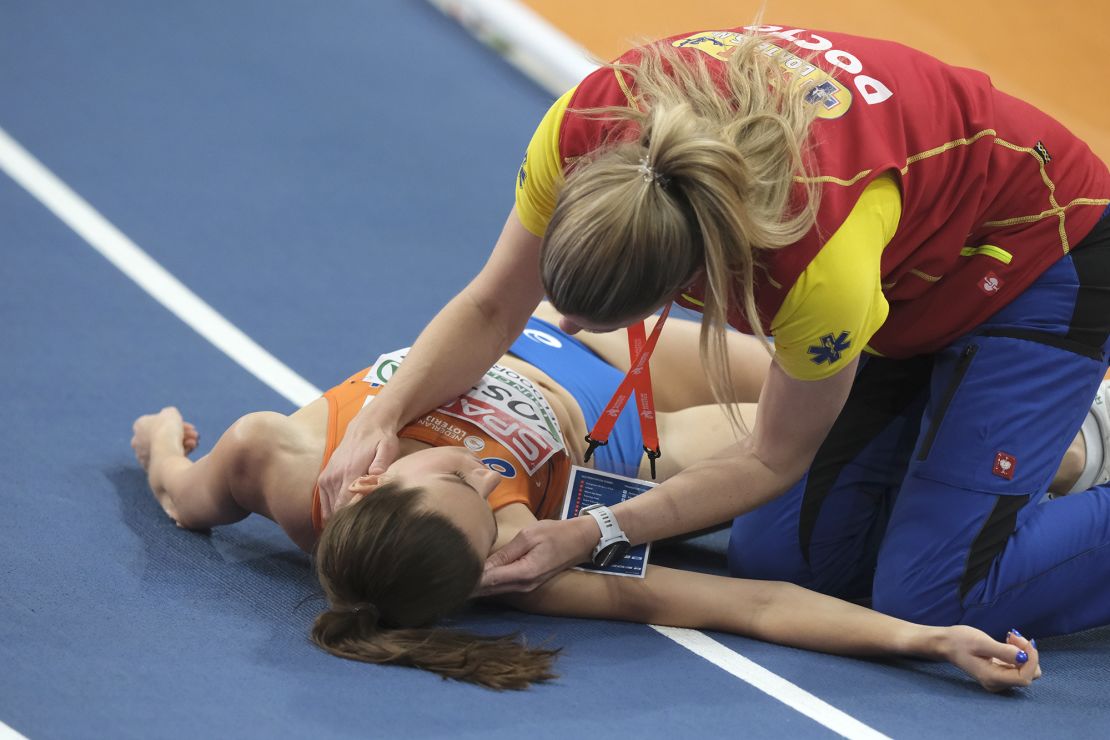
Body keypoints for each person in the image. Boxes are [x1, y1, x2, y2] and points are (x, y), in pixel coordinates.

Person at [317, 24, 1110, 640]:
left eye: (600, 321)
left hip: (1041, 255)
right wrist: (381, 418)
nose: (563, 327)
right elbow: (494, 307)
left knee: (936, 596)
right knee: (784, 559)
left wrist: (598, 530)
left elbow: (775, 453)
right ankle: (1002, 459)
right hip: (908, 273)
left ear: (691, 284)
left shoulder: (812, 265)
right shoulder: (581, 128)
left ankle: (1073, 431)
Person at [131, 307, 1040, 691]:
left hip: (571, 341)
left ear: (366, 484)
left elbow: (181, 498)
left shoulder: (273, 455)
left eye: (454, 476)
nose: (488, 476)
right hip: (626, 434)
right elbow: (752, 603)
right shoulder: (519, 562)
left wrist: (161, 440)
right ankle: (1079, 445)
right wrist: (922, 637)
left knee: (873, 357)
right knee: (880, 413)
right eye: (487, 502)